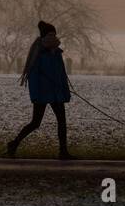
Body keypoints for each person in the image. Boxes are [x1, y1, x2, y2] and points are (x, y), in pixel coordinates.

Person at [6, 20, 74, 159]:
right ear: (44, 36)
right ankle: (14, 143)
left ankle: (63, 152)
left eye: (54, 34)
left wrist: (65, 91)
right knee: (35, 123)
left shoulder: (56, 52)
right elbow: (33, 77)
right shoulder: (38, 54)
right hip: (43, 94)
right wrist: (36, 95)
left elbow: (62, 75)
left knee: (62, 121)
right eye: (50, 34)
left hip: (56, 94)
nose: (53, 37)